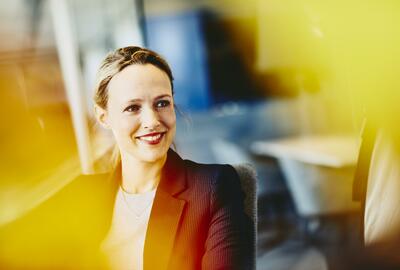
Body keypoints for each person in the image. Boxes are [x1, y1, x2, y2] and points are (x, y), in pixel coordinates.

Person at [0, 46, 253, 270]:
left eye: (162, 103)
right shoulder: (81, 194)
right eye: (133, 108)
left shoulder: (213, 186)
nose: (152, 121)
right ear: (104, 117)